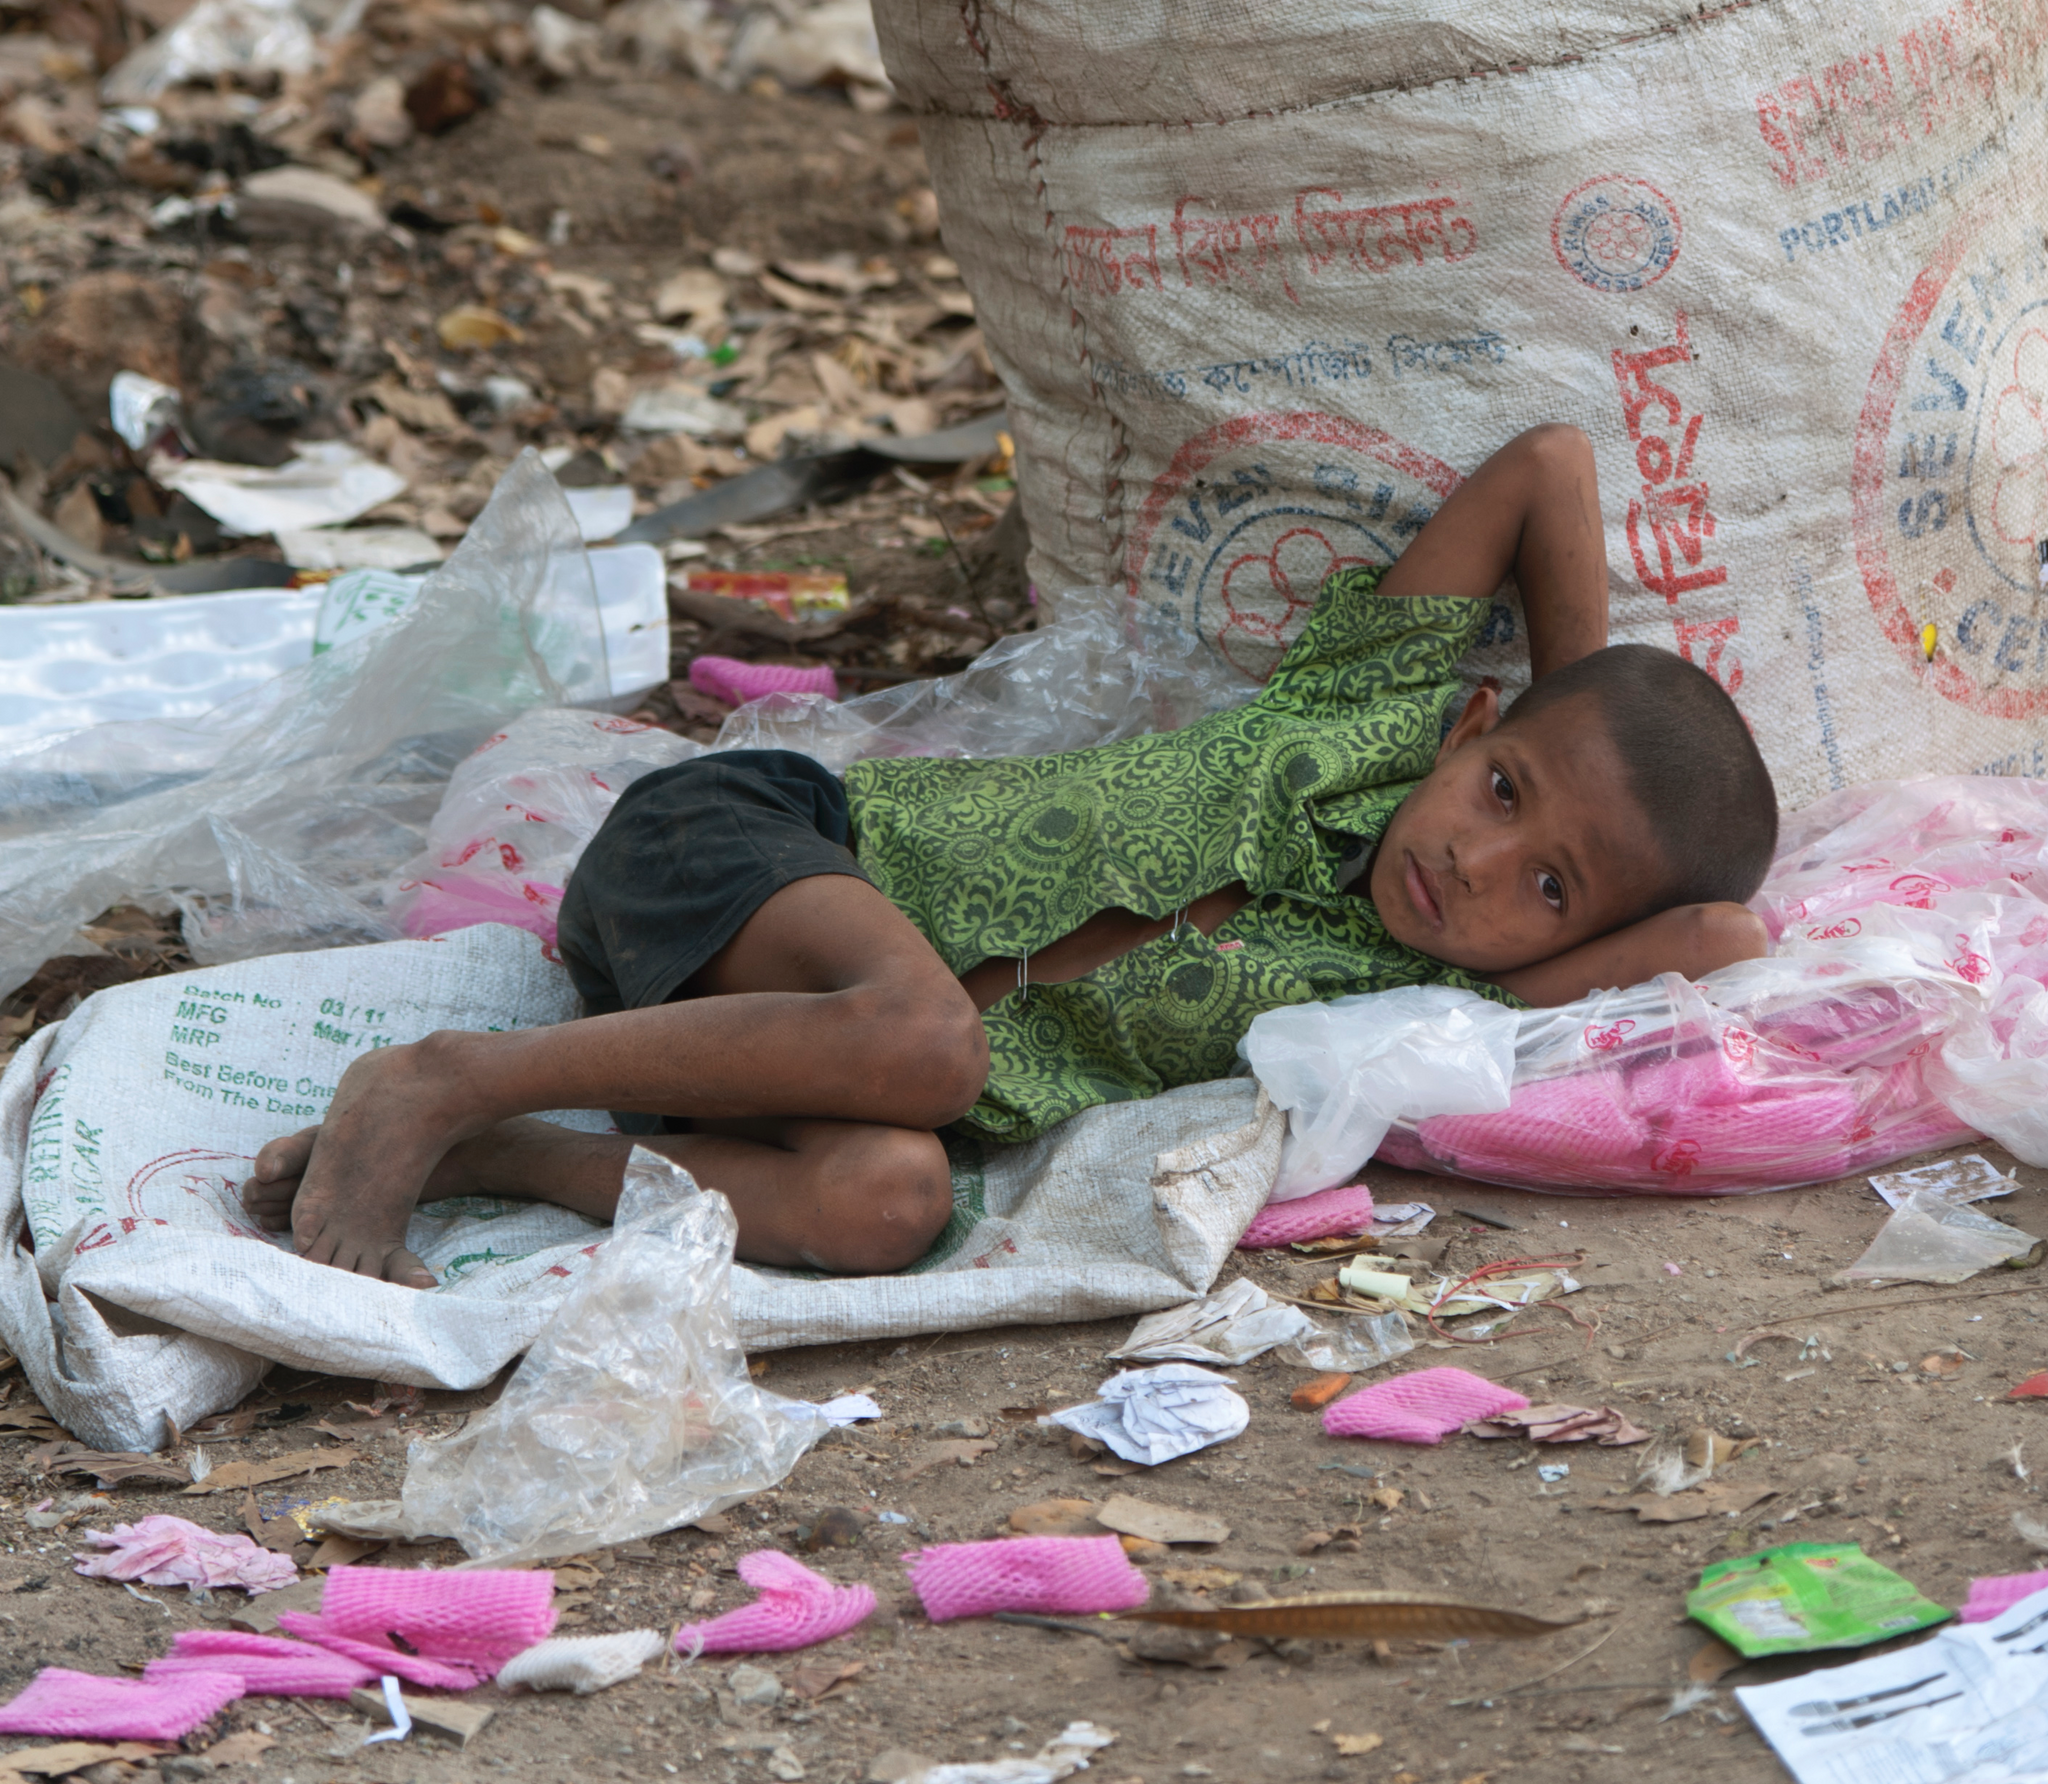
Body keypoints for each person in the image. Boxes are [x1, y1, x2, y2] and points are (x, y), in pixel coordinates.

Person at [241, 424, 1777, 1285]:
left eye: (1553, 888)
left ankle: (496, 1153)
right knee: (930, 1048)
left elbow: (1720, 936)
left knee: (891, 1204)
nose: (1482, 868)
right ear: (1470, 728)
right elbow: (1552, 468)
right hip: (751, 851)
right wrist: (1597, 705)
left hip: (753, 1071)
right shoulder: (1365, 706)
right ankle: (444, 1078)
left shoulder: (1412, 1012)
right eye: (1503, 794)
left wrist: (1582, 888)